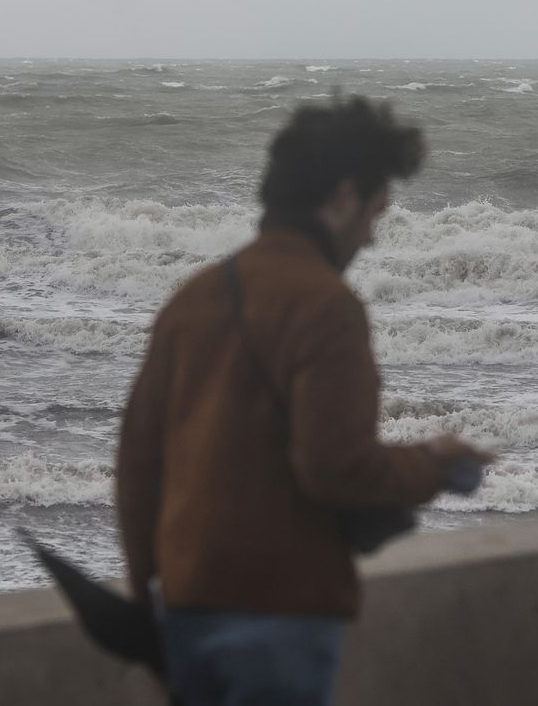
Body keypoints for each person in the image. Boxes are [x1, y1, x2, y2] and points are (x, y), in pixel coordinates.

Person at [116, 93, 492, 706]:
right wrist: (433, 463)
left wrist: (148, 600)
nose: (371, 237)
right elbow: (334, 466)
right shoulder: (326, 307)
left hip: (185, 605)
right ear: (343, 197)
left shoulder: (193, 298)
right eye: (375, 212)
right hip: (281, 612)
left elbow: (137, 464)